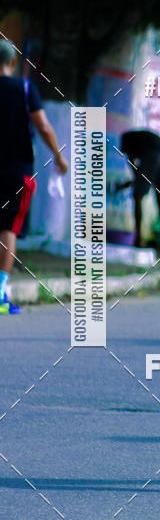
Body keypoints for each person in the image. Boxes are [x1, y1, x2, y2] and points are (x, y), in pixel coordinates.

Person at [0, 39, 68, 314]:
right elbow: (43, 125)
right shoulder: (25, 88)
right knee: (7, 229)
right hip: (17, 171)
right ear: (13, 62)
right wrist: (58, 155)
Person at [118, 129, 160, 247]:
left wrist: (134, 182)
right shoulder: (138, 137)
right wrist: (136, 181)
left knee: (138, 196)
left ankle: (138, 238)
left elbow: (132, 162)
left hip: (153, 155)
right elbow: (140, 174)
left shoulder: (126, 139)